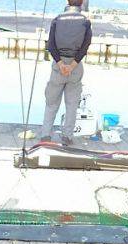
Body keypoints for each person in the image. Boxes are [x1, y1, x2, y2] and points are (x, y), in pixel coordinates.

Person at [40, 0, 92, 146]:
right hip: (75, 66)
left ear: (67, 2)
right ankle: (67, 136)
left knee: (51, 102)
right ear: (81, 3)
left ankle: (46, 135)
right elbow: (85, 46)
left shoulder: (57, 19)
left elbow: (51, 45)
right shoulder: (85, 21)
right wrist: (72, 64)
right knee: (72, 104)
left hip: (58, 66)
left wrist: (61, 63)